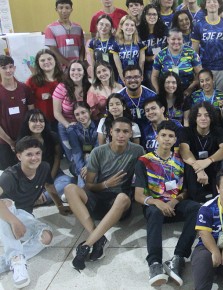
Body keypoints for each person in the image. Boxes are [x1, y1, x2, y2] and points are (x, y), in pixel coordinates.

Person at [65, 117, 144, 271]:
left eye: (125, 131)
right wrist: (107, 184)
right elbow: (89, 186)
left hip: (119, 202)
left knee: (122, 197)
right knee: (69, 188)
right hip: (99, 196)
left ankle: (87, 244)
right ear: (110, 132)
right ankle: (98, 238)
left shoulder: (137, 151)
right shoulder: (98, 152)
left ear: (130, 134)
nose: (121, 135)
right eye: (118, 131)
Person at [133, 120, 200, 286]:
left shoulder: (180, 160)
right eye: (163, 135)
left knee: (197, 209)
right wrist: (157, 202)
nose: (167, 139)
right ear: (157, 136)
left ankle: (178, 258)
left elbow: (185, 191)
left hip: (174, 206)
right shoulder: (144, 161)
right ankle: (154, 263)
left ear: (175, 139)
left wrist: (175, 201)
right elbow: (138, 196)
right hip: (154, 208)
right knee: (154, 212)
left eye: (171, 136)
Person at [0, 137, 70, 288]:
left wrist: (59, 205)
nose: (34, 158)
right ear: (19, 156)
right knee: (7, 203)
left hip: (24, 216)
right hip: (5, 218)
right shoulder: (9, 176)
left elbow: (50, 186)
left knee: (46, 236)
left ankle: (6, 262)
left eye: (37, 153)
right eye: (29, 154)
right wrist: (14, 220)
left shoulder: (43, 167)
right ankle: (17, 260)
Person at [17, 109, 73, 204]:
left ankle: (41, 199)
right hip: (31, 178)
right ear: (27, 123)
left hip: (53, 174)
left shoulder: (52, 136)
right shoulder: (23, 142)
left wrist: (49, 178)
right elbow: (23, 168)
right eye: (34, 121)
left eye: (41, 121)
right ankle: (40, 197)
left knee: (68, 182)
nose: (38, 123)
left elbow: (57, 157)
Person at [179, 102, 223, 202]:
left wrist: (209, 160)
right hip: (194, 167)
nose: (203, 118)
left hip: (212, 166)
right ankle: (194, 200)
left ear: (212, 117)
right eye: (199, 115)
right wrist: (199, 168)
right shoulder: (186, 131)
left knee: (221, 164)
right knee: (188, 166)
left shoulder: (218, 131)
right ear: (194, 118)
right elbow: (184, 150)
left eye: (207, 115)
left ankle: (217, 198)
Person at [192, 0, 223, 94]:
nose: (212, 3)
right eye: (209, 1)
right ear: (205, 5)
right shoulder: (199, 25)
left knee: (221, 98)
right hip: (204, 68)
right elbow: (194, 51)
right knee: (206, 98)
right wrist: (196, 70)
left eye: (214, 1)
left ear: (219, 5)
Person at [0, 55, 35, 170]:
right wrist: (10, 142)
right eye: (4, 68)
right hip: (4, 142)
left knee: (27, 170)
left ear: (15, 68)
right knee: (9, 174)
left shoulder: (24, 88)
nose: (8, 70)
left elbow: (32, 114)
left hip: (24, 138)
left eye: (10, 67)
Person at [52, 60, 90, 162]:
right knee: (74, 159)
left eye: (79, 69)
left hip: (86, 127)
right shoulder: (61, 87)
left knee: (88, 157)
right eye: (73, 70)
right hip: (66, 126)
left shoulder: (89, 86)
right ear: (68, 72)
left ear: (84, 72)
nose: (76, 72)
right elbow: (56, 112)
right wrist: (68, 125)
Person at [151, 28, 202, 95]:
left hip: (188, 92)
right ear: (168, 40)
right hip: (167, 92)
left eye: (179, 39)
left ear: (182, 40)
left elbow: (199, 74)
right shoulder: (161, 54)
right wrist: (158, 90)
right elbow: (154, 76)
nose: (176, 42)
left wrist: (190, 89)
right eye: (173, 39)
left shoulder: (191, 52)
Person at [25, 49, 64, 129]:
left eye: (49, 59)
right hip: (42, 123)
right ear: (38, 63)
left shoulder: (64, 78)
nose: (46, 62)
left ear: (55, 60)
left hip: (62, 120)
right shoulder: (32, 81)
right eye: (42, 60)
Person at [44, 0, 85, 72]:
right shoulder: (50, 28)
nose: (64, 11)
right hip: (60, 70)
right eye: (61, 8)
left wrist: (80, 62)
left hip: (77, 69)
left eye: (67, 8)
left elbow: (82, 47)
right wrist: (69, 65)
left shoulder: (78, 28)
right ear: (56, 9)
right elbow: (53, 51)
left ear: (71, 10)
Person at [117, 65, 157, 133]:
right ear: (124, 80)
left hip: (149, 133)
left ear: (141, 78)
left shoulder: (152, 96)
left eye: (136, 77)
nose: (133, 80)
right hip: (128, 133)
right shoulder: (118, 97)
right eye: (129, 77)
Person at [67, 102, 99, 188]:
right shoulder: (72, 130)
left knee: (89, 157)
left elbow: (98, 148)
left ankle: (81, 190)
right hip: (79, 164)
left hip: (96, 160)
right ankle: (84, 189)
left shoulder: (99, 125)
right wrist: (82, 169)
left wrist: (89, 166)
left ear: (89, 111)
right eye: (77, 114)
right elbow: (76, 152)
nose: (81, 117)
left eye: (83, 112)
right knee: (84, 160)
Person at [138, 3, 168, 86]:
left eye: (154, 14)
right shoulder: (138, 31)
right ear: (144, 16)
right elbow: (138, 55)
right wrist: (151, 58)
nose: (152, 16)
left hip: (164, 64)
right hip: (147, 67)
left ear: (158, 16)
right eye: (149, 14)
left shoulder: (165, 29)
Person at [87, 14, 122, 81]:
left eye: (107, 25)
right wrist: (94, 79)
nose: (104, 27)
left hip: (114, 77)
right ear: (97, 26)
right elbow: (93, 63)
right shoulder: (93, 42)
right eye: (101, 24)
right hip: (100, 77)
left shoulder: (116, 41)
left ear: (111, 28)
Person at [112, 15, 146, 83]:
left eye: (132, 25)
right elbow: (119, 67)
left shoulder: (139, 43)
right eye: (127, 25)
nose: (129, 27)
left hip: (137, 79)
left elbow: (141, 64)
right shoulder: (116, 45)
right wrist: (125, 81)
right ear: (121, 27)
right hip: (123, 79)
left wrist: (139, 79)